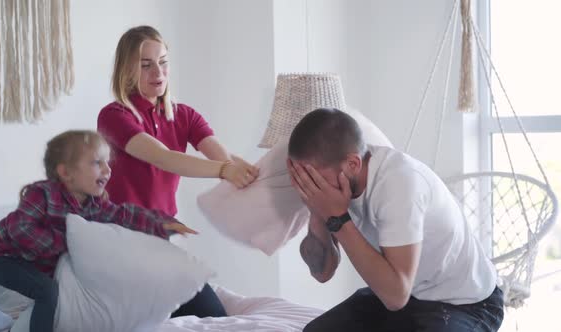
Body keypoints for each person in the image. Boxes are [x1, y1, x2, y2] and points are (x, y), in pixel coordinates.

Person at [286, 108, 504, 332]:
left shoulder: (399, 183)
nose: (311, 187)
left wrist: (337, 218)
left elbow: (395, 296)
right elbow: (323, 273)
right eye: (303, 179)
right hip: (407, 293)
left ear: (352, 164)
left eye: (315, 179)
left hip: (465, 303)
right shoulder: (331, 188)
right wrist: (316, 211)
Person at [97, 25, 256, 318]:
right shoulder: (114, 116)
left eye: (163, 62)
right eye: (146, 65)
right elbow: (163, 157)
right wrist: (224, 170)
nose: (158, 72)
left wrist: (248, 172)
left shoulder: (184, 115)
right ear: (127, 70)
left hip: (161, 238)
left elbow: (220, 155)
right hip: (121, 240)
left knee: (213, 316)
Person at [0, 130, 197, 332]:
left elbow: (124, 215)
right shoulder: (42, 194)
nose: (108, 170)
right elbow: (21, 229)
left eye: (108, 163)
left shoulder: (93, 203)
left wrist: (162, 224)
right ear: (66, 173)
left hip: (30, 259)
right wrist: (64, 245)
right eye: (97, 163)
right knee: (47, 292)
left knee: (59, 295)